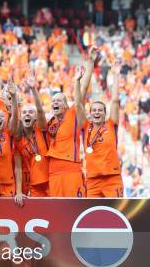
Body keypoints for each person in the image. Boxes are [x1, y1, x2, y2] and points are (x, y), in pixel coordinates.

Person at [45, 48, 95, 197]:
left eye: (59, 100)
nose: (55, 102)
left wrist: (90, 62)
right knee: (56, 212)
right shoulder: (50, 123)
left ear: (66, 105)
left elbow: (84, 91)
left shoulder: (72, 114)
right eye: (53, 101)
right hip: (53, 171)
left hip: (71, 169)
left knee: (74, 209)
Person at [82, 63, 123, 197]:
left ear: (105, 114)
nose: (97, 112)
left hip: (112, 178)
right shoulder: (86, 127)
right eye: (94, 110)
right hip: (92, 180)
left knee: (115, 215)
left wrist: (116, 75)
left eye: (100, 110)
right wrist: (79, 81)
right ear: (90, 113)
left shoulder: (111, 125)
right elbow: (78, 103)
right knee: (91, 216)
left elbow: (115, 100)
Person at [14, 70, 50, 203]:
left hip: (51, 180)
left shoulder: (41, 129)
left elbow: (40, 110)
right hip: (34, 184)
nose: (27, 114)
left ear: (35, 117)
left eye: (30, 112)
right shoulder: (18, 140)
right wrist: (18, 191)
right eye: (24, 112)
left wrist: (33, 89)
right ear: (20, 117)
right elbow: (18, 167)